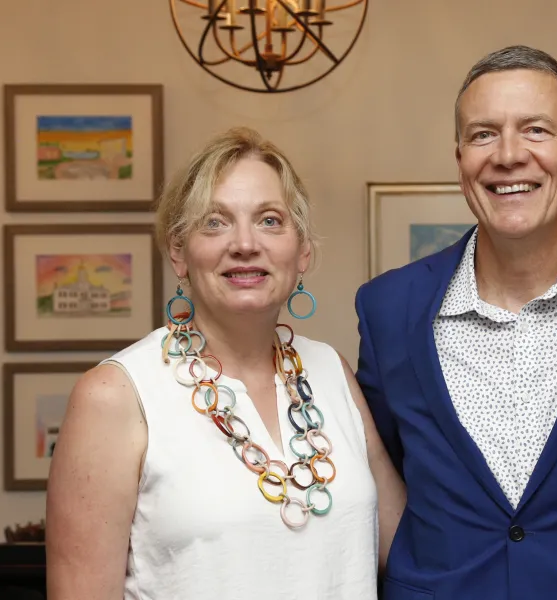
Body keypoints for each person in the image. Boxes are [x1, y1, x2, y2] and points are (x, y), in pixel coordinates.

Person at [354, 45, 557, 599]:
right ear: (460, 159)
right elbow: (380, 483)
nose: (508, 155)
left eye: (535, 130)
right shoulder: (389, 308)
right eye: (483, 134)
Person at [46, 127, 405, 599]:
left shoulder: (331, 372)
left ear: (302, 252)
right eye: (215, 222)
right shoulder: (116, 395)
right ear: (179, 252)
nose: (244, 243)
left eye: (270, 220)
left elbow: (408, 550)